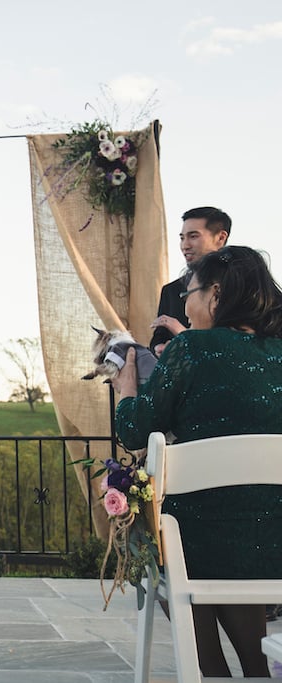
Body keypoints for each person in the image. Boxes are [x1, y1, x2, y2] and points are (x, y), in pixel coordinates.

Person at [114, 245, 282, 678]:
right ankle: (254, 668)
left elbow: (136, 431)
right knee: (234, 533)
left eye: (188, 292)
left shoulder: (193, 349)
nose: (183, 305)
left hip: (198, 544)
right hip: (273, 541)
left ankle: (209, 668)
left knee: (156, 533)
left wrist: (127, 391)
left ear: (216, 294)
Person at [149, 207, 231, 356]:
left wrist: (183, 334)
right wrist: (160, 349)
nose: (185, 245)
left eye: (193, 236)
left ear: (220, 238)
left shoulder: (242, 286)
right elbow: (158, 338)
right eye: (182, 238)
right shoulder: (171, 290)